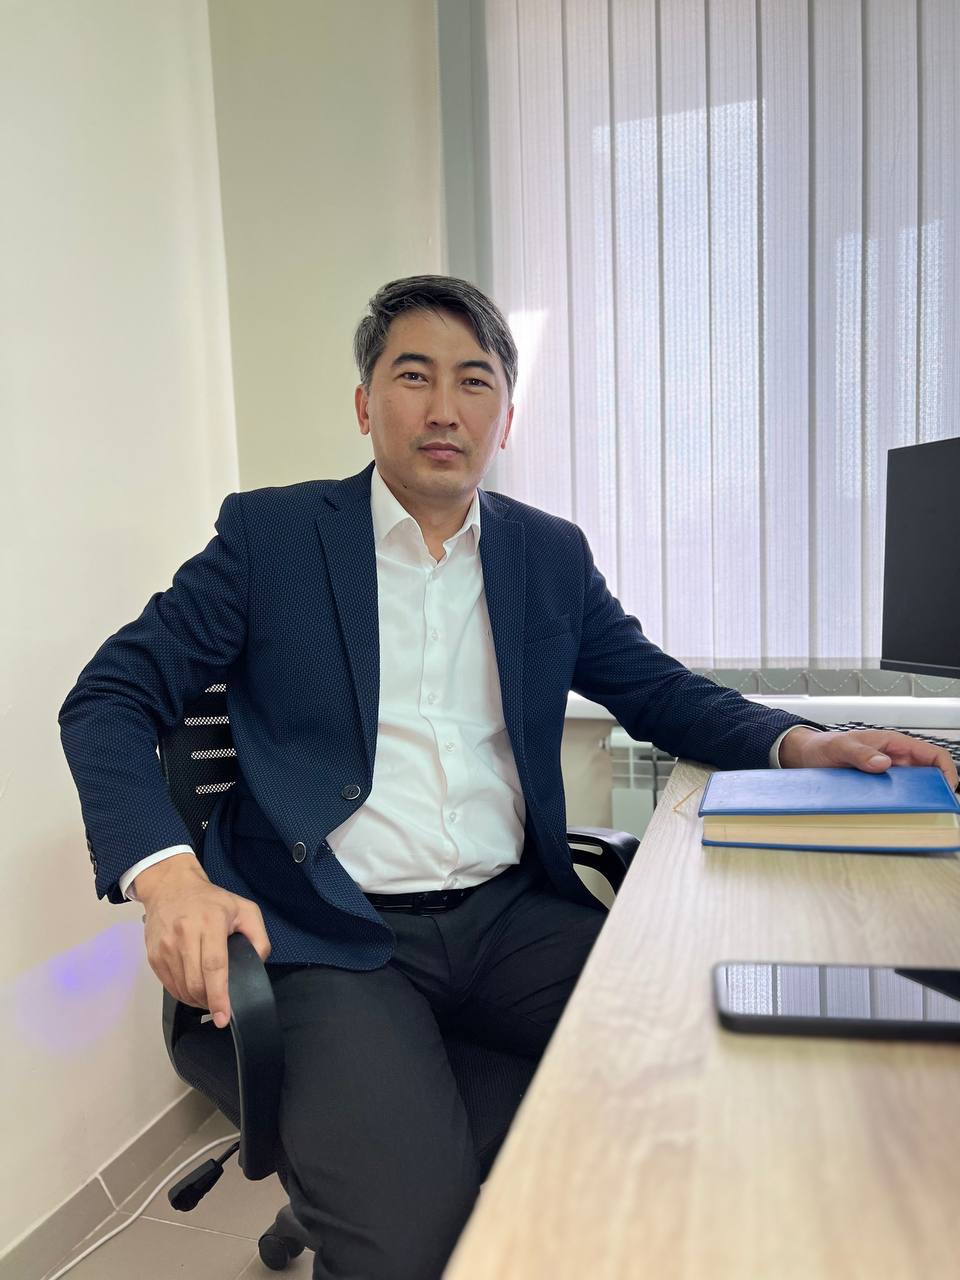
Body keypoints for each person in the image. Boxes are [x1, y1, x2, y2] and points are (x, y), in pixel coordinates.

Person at [59, 275, 959, 1280]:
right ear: (365, 404)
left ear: (506, 416)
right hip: (332, 932)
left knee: (726, 1085)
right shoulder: (272, 539)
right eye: (414, 377)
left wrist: (800, 741)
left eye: (474, 381)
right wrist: (168, 875)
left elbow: (656, 688)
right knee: (412, 1244)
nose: (445, 408)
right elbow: (109, 696)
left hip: (507, 917)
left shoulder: (546, 553)